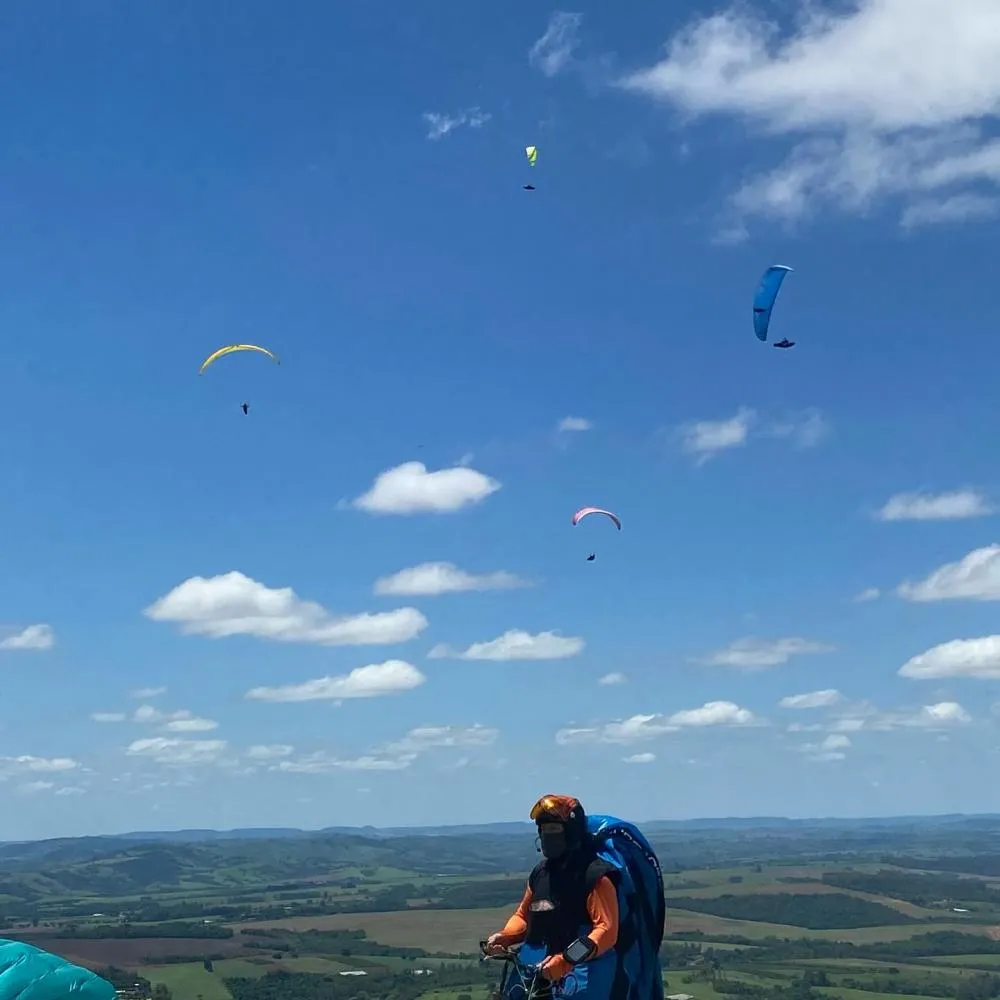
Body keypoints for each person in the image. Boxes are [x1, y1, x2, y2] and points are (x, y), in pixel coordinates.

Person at [485, 795, 619, 988]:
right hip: (533, 976)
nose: (548, 835)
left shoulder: (595, 876)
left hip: (580, 980)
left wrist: (566, 961)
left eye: (554, 829)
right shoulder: (541, 874)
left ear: (571, 832)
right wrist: (505, 937)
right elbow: (523, 916)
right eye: (544, 829)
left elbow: (606, 931)